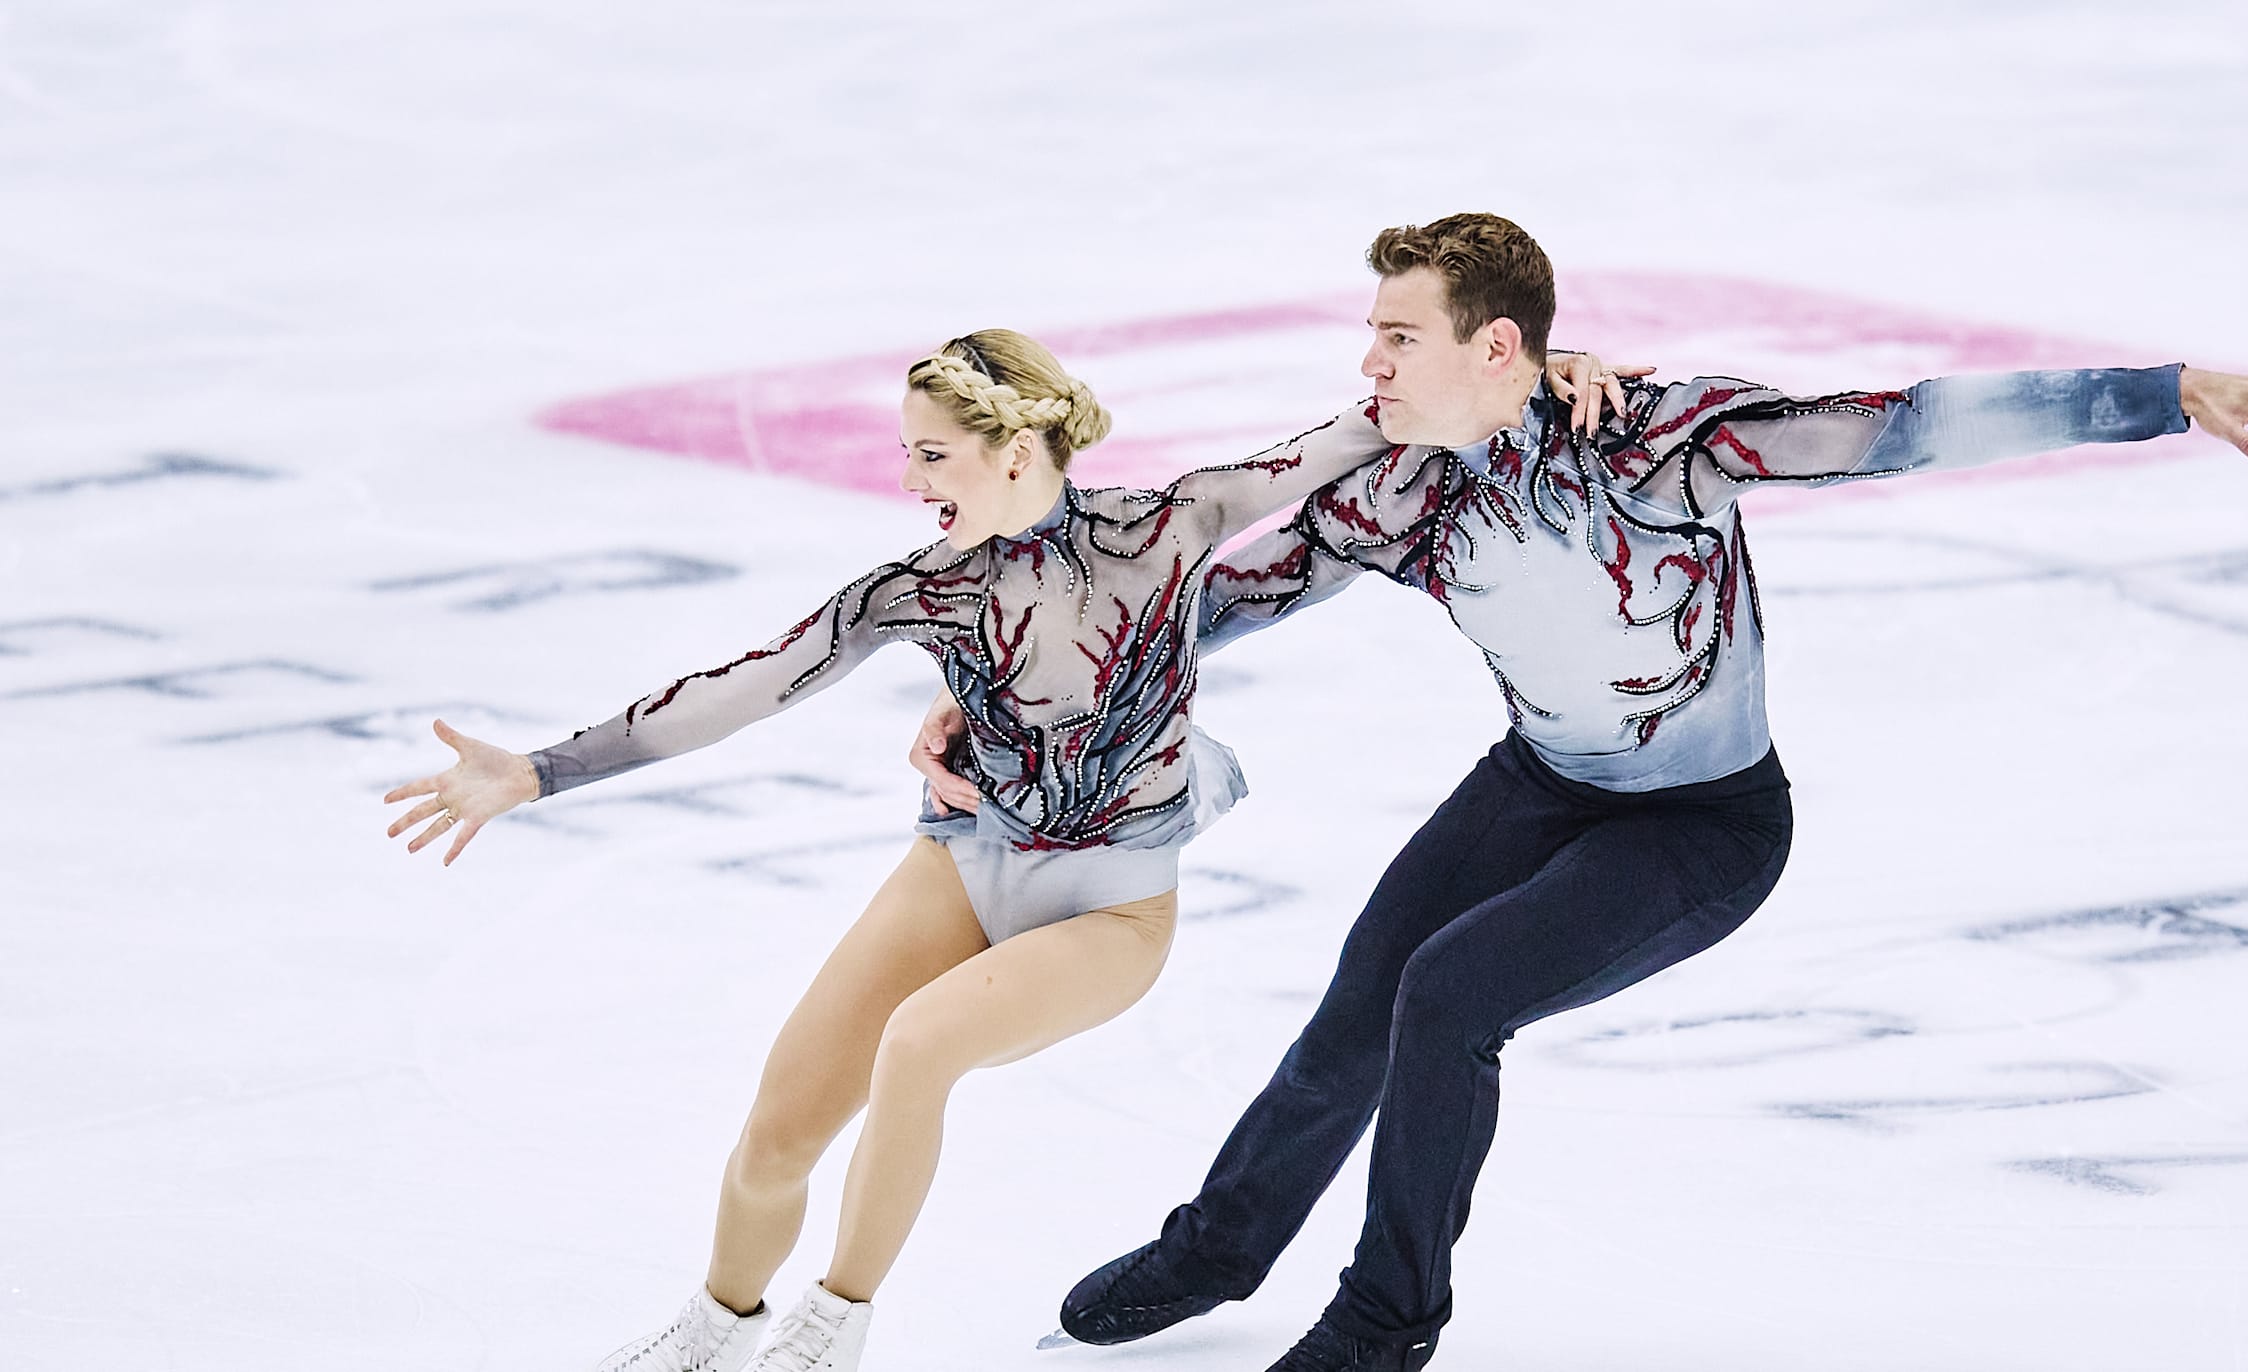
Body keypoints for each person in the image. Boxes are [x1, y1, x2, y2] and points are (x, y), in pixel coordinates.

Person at [908, 214, 2248, 1372]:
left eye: (1396, 338)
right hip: (1541, 783)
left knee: (1451, 995)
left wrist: (2159, 394)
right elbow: (1220, 600)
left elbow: (1903, 423)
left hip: (1706, 827)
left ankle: (1386, 1319)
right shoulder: (1401, 491)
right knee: (1367, 990)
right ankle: (1221, 1249)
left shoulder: (1667, 440)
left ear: (1492, 346)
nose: (1369, 371)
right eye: (1369, 340)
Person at [380, 327, 1621, 1372]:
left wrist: (1524, 370)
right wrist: (543, 770)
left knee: (917, 1044)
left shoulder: (1166, 527)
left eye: (933, 452)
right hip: (961, 866)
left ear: (1016, 446)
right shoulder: (915, 589)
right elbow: (747, 688)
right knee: (777, 1131)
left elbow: (1361, 430)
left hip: (1110, 911)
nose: (914, 477)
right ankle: (718, 1326)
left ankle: (833, 1329)